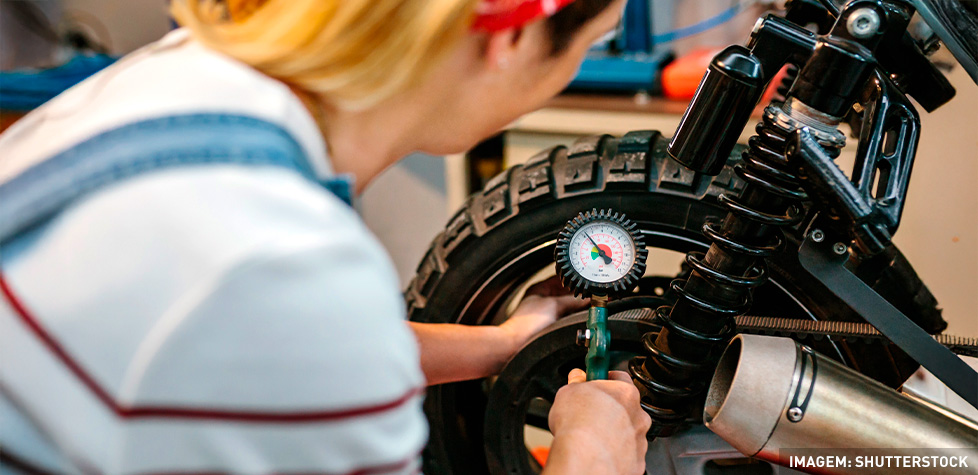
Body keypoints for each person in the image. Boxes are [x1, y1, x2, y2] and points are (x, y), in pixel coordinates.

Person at [0, 0, 651, 473]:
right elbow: (280, 310)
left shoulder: (182, 78)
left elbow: (253, 340)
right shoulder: (281, 258)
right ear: (512, 35)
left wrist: (504, 343)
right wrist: (591, 458)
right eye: (587, 44)